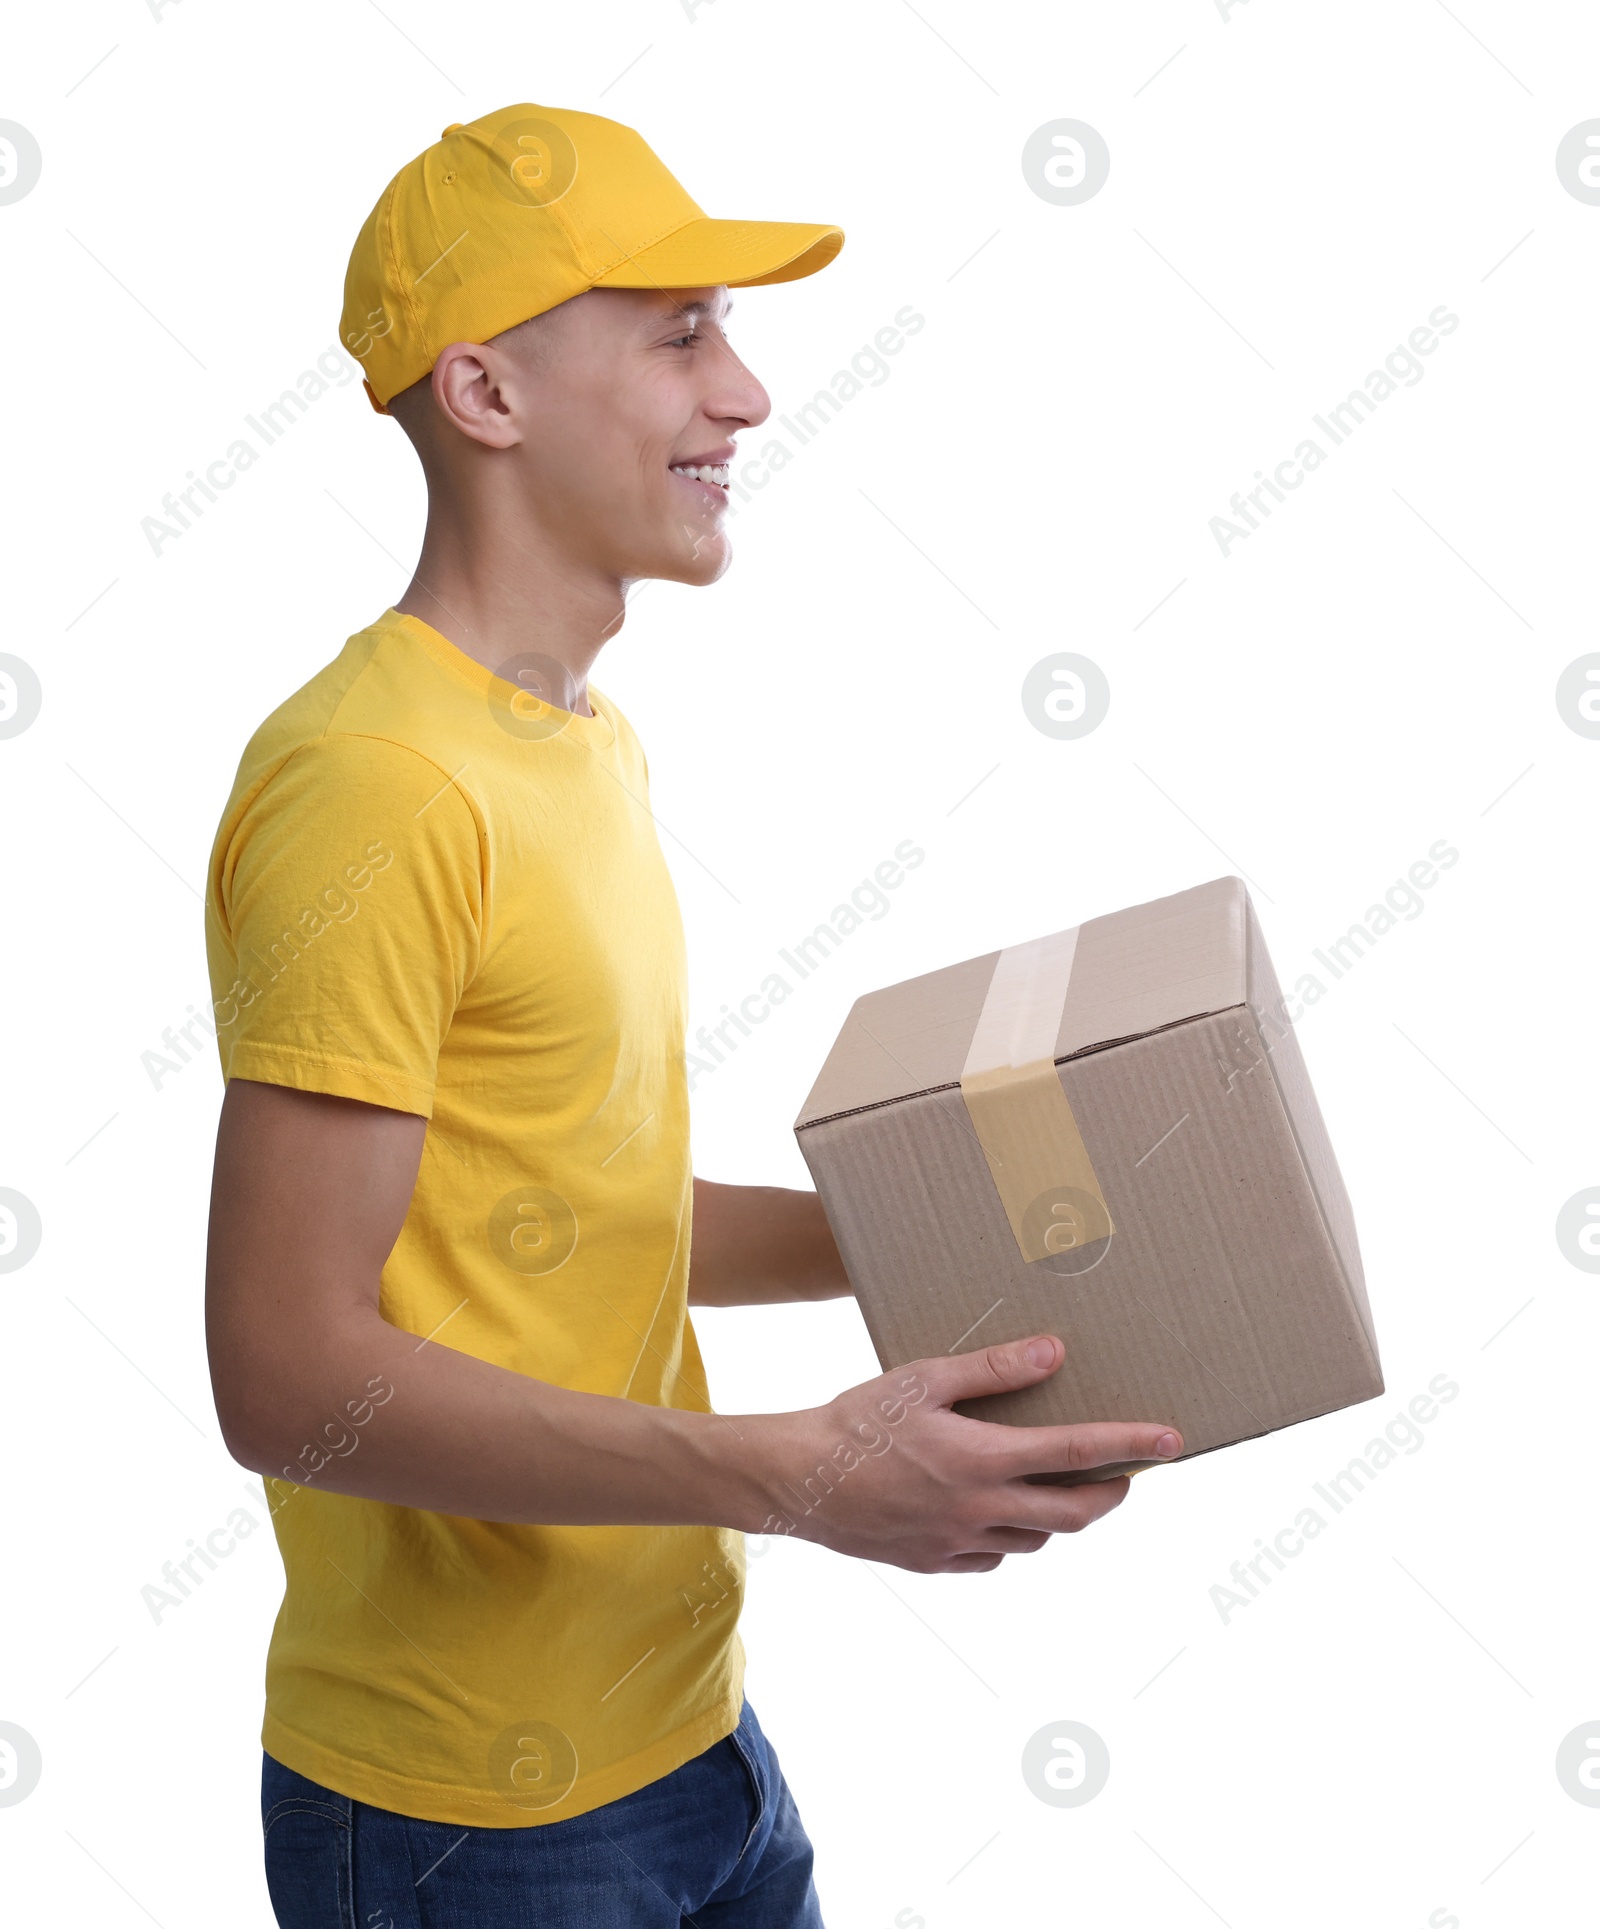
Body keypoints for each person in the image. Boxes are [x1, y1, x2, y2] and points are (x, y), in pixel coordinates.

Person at [202, 101, 1184, 1929]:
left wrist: (973, 1237)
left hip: (691, 1743)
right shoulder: (372, 784)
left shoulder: (577, 742)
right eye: (679, 335)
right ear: (485, 395)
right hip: (467, 1816)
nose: (742, 394)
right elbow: (285, 1372)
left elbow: (580, 1206)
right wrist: (792, 1471)